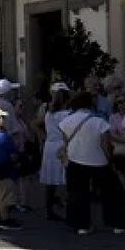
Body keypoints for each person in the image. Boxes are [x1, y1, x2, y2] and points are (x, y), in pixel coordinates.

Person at [59, 90, 125, 236]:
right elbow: (104, 144)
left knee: (77, 194)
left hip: (75, 160)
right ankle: (117, 224)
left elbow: (65, 142)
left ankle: (81, 225)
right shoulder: (99, 121)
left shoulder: (66, 121)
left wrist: (66, 158)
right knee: (113, 192)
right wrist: (109, 159)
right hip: (98, 161)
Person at [37, 82, 71, 221]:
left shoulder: (48, 111)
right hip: (62, 145)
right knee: (65, 178)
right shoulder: (67, 113)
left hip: (49, 146)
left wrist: (42, 137)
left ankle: (49, 210)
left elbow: (37, 124)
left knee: (50, 180)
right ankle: (68, 210)